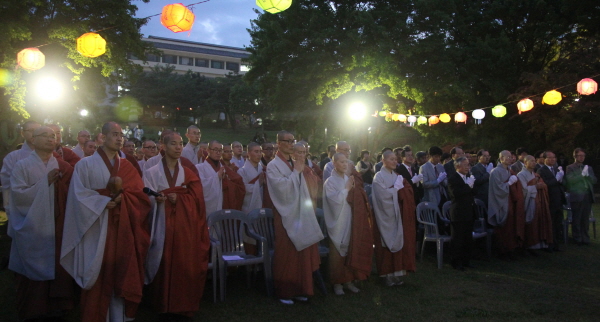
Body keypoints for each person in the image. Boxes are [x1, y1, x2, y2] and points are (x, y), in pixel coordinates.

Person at [61, 122, 151, 322]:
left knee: (121, 269)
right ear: (102, 137)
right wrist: (102, 202)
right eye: (114, 134)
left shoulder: (127, 165)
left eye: (121, 135)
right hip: (95, 226)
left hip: (122, 227)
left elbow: (140, 196)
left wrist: (123, 199)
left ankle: (119, 317)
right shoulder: (85, 164)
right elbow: (77, 197)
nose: (119, 138)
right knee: (98, 271)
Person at [9, 126, 77, 321]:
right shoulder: (22, 166)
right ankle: (34, 309)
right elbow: (18, 196)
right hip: (33, 226)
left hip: (58, 223)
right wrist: (44, 183)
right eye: (45, 136)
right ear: (33, 140)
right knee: (34, 265)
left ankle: (58, 306)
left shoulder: (63, 166)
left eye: (53, 136)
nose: (50, 139)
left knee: (58, 264)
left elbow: (75, 191)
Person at [143, 133, 209, 321]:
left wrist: (180, 198)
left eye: (180, 144)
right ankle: (161, 303)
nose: (178, 147)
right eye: (173, 144)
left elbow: (197, 200)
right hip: (161, 224)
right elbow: (144, 197)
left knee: (182, 263)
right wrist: (156, 199)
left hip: (183, 228)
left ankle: (181, 304)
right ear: (163, 146)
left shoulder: (188, 172)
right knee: (161, 261)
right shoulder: (151, 172)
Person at [266, 131, 323, 304]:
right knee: (287, 253)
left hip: (301, 214)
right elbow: (281, 190)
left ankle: (301, 289)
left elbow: (312, 185)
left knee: (302, 253)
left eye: (293, 141)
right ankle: (285, 291)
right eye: (288, 141)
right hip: (285, 214)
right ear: (279, 143)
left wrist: (301, 171)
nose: (292, 144)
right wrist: (296, 172)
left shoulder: (295, 162)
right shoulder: (273, 165)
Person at [323, 153, 373, 295]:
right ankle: (337, 283)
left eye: (346, 162)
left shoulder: (348, 178)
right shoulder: (330, 181)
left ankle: (349, 281)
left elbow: (356, 198)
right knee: (337, 253)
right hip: (337, 221)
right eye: (341, 162)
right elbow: (333, 201)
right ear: (334, 164)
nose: (345, 165)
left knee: (350, 249)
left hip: (350, 218)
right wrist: (346, 189)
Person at [371, 151, 417, 286]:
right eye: (391, 159)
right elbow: (381, 197)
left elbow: (407, 191)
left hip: (397, 214)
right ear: (383, 160)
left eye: (395, 159)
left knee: (398, 242)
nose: (394, 162)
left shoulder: (397, 176)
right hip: (385, 215)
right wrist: (395, 190)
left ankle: (396, 273)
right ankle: (386, 275)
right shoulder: (378, 177)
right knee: (385, 244)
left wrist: (401, 190)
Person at [488, 150, 525, 257]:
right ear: (501, 158)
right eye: (507, 157)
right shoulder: (495, 171)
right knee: (504, 226)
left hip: (509, 200)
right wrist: (508, 183)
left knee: (511, 225)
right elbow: (497, 189)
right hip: (501, 202)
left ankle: (511, 248)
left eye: (511, 157)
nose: (510, 159)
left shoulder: (509, 170)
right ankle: (502, 250)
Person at [196, 140, 245, 215]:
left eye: (220, 150)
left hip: (224, 205)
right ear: (208, 150)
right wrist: (217, 177)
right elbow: (200, 187)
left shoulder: (225, 168)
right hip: (208, 208)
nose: (218, 152)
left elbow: (239, 184)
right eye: (215, 150)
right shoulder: (200, 168)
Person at [1, 120, 41, 210]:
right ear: (22, 133)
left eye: (38, 131)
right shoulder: (12, 157)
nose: (35, 134)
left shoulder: (51, 156)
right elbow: (7, 186)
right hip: (19, 207)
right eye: (31, 130)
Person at [446, 157, 476, 270]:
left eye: (468, 165)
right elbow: (455, 194)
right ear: (458, 166)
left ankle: (466, 260)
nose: (468, 167)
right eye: (465, 165)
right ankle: (455, 262)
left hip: (469, 210)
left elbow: (473, 192)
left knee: (468, 238)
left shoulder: (468, 177)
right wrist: (467, 186)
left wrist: (472, 185)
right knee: (457, 238)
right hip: (458, 212)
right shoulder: (453, 178)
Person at [518, 155, 553, 252]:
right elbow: (523, 190)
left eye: (534, 161)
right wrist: (535, 187)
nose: (534, 163)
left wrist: (541, 185)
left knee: (538, 222)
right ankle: (530, 245)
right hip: (529, 201)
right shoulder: (521, 175)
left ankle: (539, 243)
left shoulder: (534, 174)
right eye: (531, 161)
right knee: (531, 223)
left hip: (537, 200)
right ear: (525, 163)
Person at [237, 142, 267, 254]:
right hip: (248, 207)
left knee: (262, 233)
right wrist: (257, 184)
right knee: (249, 235)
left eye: (260, 151)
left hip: (262, 205)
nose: (259, 154)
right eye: (256, 151)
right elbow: (242, 189)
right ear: (249, 153)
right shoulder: (242, 171)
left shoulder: (263, 169)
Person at [565, 148, 597, 245]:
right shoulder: (570, 167)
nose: (582, 157)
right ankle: (577, 238)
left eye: (583, 155)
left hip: (587, 195)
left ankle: (585, 238)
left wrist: (588, 176)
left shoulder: (588, 168)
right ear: (575, 156)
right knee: (577, 218)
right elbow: (570, 181)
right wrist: (581, 175)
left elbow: (594, 180)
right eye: (580, 155)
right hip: (577, 195)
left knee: (585, 218)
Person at [537, 151, 565, 251]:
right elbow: (546, 184)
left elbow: (562, 184)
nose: (552, 159)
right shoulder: (541, 170)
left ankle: (557, 243)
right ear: (544, 159)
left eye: (554, 157)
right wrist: (557, 179)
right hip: (549, 200)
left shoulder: (557, 169)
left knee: (558, 222)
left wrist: (561, 180)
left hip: (559, 200)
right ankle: (550, 244)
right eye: (549, 158)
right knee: (550, 223)